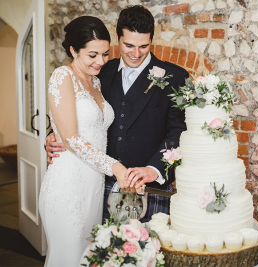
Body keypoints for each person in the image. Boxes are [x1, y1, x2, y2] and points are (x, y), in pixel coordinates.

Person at [46, 6, 188, 224]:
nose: (136, 53)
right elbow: (75, 112)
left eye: (144, 46)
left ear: (152, 40)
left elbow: (180, 132)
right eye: (128, 45)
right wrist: (52, 137)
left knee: (152, 256)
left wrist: (154, 169)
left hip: (150, 189)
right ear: (117, 38)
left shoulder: (175, 77)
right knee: (101, 254)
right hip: (101, 186)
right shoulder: (99, 71)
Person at [38, 16, 139, 266]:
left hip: (92, 187)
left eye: (105, 54)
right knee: (69, 259)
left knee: (88, 259)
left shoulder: (95, 81)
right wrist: (114, 167)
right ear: (73, 50)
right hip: (67, 187)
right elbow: (70, 137)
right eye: (92, 55)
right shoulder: (62, 77)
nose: (101, 61)